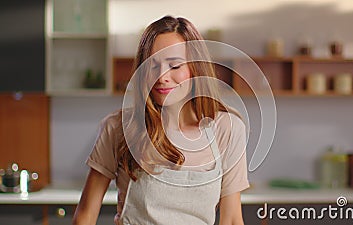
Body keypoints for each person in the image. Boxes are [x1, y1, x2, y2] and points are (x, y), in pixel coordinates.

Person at [72, 15, 249, 225]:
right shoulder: (119, 127)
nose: (162, 76)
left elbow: (231, 219)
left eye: (174, 66)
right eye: (152, 65)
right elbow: (85, 216)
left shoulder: (227, 128)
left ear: (195, 68)